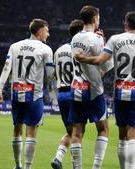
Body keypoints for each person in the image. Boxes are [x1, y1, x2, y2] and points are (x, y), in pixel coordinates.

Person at [74, 11, 135, 169]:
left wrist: (82, 58)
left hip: (120, 92)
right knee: (134, 134)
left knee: (122, 136)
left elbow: (100, 60)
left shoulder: (115, 39)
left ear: (126, 23)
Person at [0, 19, 54, 169]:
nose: (48, 33)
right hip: (34, 95)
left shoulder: (14, 46)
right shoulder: (46, 49)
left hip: (16, 94)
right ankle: (27, 167)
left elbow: (6, 68)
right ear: (39, 31)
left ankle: (17, 165)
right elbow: (50, 75)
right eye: (46, 30)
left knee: (17, 128)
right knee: (32, 131)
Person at [70, 5, 113, 169]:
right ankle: (96, 167)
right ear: (95, 18)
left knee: (77, 131)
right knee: (103, 129)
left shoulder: (75, 38)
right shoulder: (96, 39)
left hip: (76, 87)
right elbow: (105, 65)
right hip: (93, 90)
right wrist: (104, 43)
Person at [51, 19, 84, 169]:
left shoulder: (58, 50)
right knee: (78, 132)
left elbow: (56, 74)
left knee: (70, 132)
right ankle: (75, 166)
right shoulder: (80, 50)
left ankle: (58, 157)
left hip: (62, 94)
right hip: (75, 92)